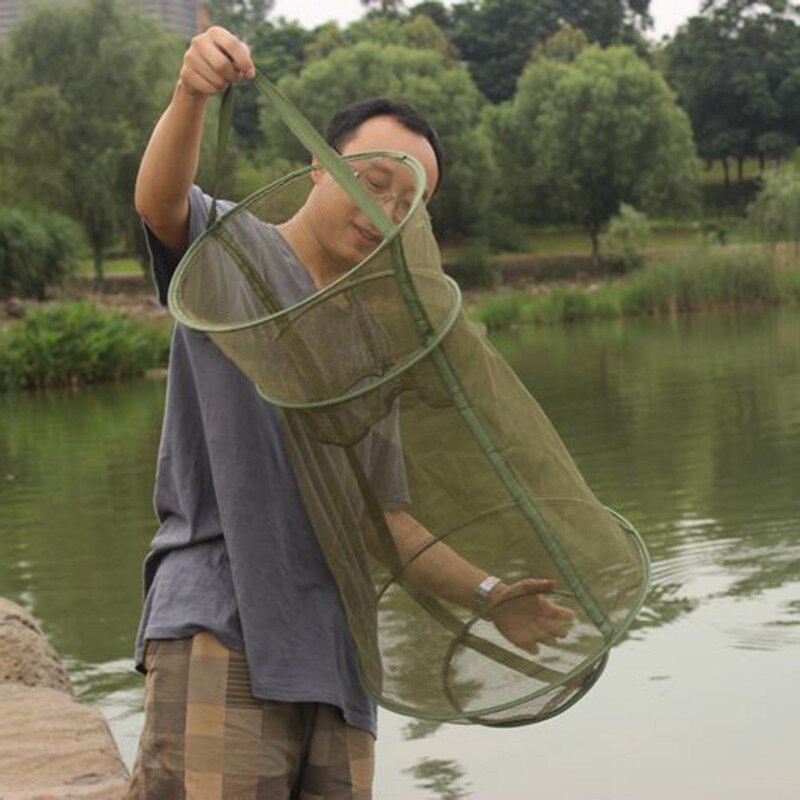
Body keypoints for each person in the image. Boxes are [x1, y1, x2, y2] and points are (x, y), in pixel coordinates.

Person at [128, 25, 573, 799]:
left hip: (338, 659)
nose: (385, 208)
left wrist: (491, 594)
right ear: (317, 167)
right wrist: (191, 93)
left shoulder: (374, 341)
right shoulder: (232, 253)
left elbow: (383, 520)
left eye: (409, 201)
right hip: (222, 625)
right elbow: (160, 202)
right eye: (371, 179)